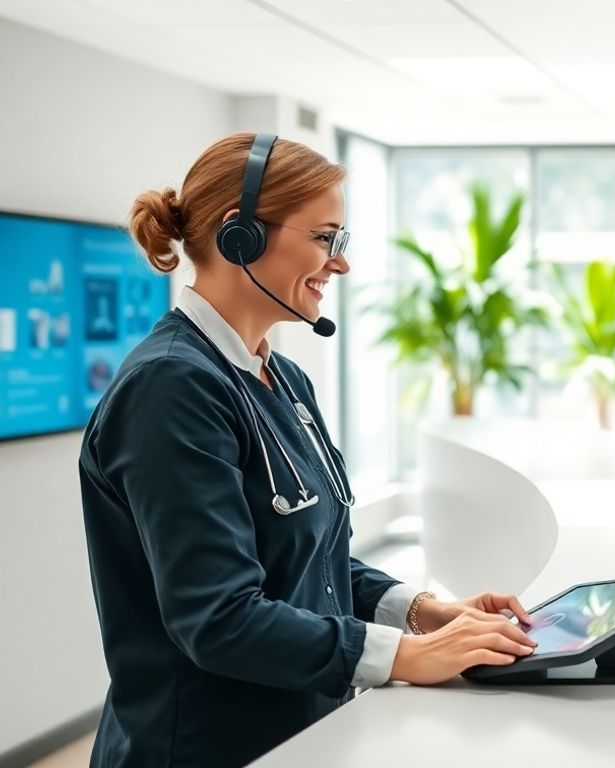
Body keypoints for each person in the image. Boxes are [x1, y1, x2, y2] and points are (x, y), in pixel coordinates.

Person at [79, 133, 537, 767]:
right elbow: (218, 618)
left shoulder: (283, 379)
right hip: (201, 748)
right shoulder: (170, 387)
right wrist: (405, 657)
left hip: (301, 734)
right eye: (325, 238)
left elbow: (306, 557)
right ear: (240, 235)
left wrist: (424, 612)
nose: (340, 264)